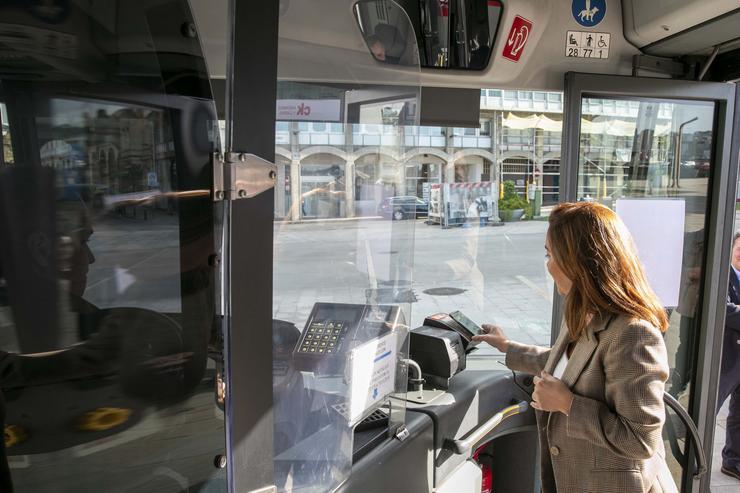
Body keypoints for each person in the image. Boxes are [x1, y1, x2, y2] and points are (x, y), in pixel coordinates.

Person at [473, 202, 677, 493]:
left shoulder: (633, 334)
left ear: (578, 262)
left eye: (550, 253)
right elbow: (566, 364)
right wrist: (506, 347)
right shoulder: (585, 312)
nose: (547, 264)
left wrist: (567, 404)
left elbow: (640, 439)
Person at [718, 231, 740, 480]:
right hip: (725, 357)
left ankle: (732, 461)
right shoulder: (722, 275)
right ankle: (690, 456)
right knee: (710, 408)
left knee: (739, 415)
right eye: (739, 248)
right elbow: (724, 310)